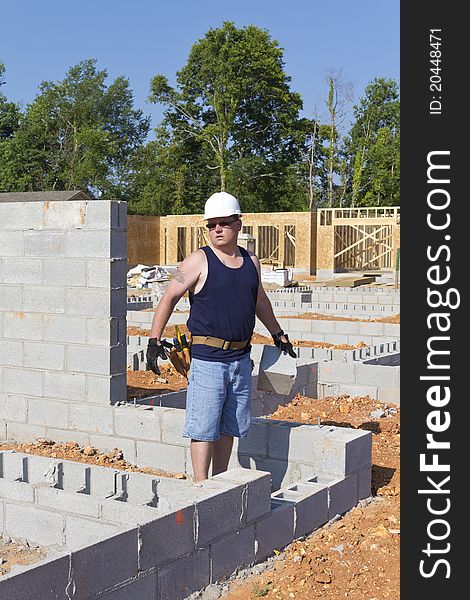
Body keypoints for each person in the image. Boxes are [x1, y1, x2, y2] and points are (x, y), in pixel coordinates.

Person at [146, 191, 296, 482]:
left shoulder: (252, 261)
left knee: (229, 425)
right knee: (203, 427)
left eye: (223, 223)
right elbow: (169, 297)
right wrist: (154, 340)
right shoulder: (197, 261)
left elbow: (259, 299)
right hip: (207, 360)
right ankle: (201, 487)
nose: (217, 229)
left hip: (240, 359)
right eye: (211, 224)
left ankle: (220, 480)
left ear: (238, 225)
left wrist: (277, 333)